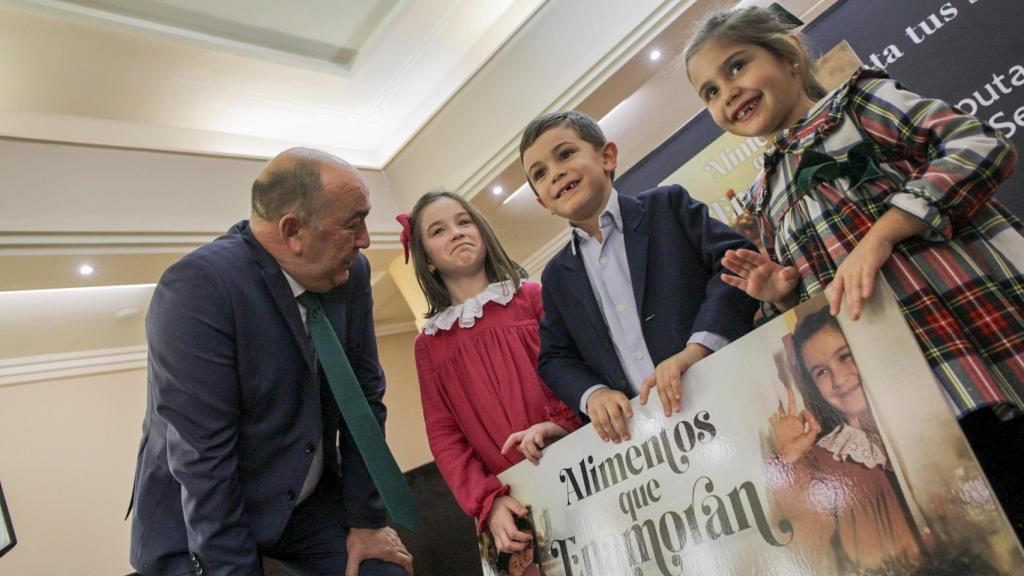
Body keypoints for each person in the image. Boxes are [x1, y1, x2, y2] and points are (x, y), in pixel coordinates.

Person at [685, 5, 1024, 539]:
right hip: (901, 395)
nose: (725, 94)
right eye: (708, 91)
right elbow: (817, 307)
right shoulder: (762, 197)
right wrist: (781, 293)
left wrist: (883, 233)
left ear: (790, 55)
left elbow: (977, 145)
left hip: (971, 346)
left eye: (735, 67)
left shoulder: (859, 103)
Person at [129, 148, 414, 576]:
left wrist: (366, 520)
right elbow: (204, 462)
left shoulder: (350, 274)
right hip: (201, 518)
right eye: (353, 223)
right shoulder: (199, 289)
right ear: (293, 231)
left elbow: (364, 402)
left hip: (304, 502)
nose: (366, 240)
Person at [518, 111, 759, 443]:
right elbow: (555, 357)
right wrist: (593, 394)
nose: (556, 173)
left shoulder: (667, 206)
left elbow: (735, 264)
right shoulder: (556, 277)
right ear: (542, 201)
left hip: (730, 391)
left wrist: (696, 350)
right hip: (649, 438)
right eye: (541, 173)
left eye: (565, 154)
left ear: (607, 156)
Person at [403, 191, 581, 555]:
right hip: (514, 502)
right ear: (428, 260)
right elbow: (444, 435)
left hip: (582, 463)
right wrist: (487, 502)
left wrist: (562, 425)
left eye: (463, 221)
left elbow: (573, 366)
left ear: (482, 232)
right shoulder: (428, 345)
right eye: (438, 231)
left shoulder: (532, 297)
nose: (455, 233)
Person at [769, 307, 921, 572]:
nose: (839, 380)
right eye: (821, 372)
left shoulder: (921, 412)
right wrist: (791, 458)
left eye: (845, 357)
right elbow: (807, 544)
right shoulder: (827, 457)